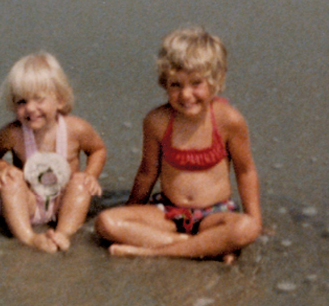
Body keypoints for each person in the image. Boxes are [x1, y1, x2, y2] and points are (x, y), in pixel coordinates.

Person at [95, 26, 262, 263]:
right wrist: (133, 209)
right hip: (167, 213)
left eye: (196, 83)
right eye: (176, 85)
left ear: (215, 81)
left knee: (246, 228)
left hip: (215, 215)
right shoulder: (157, 122)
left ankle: (152, 251)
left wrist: (257, 220)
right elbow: (147, 172)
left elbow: (245, 171)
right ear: (165, 83)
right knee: (106, 222)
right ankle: (204, 247)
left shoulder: (229, 120)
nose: (185, 94)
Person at [0, 52, 106, 253]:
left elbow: (97, 150)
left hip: (64, 202)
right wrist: (3, 168)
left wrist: (91, 175)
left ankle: (63, 234)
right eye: (21, 101)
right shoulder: (13, 133)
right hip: (28, 202)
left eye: (39, 99)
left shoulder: (76, 129)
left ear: (60, 100)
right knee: (11, 183)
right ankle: (28, 238)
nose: (30, 108)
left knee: (80, 183)